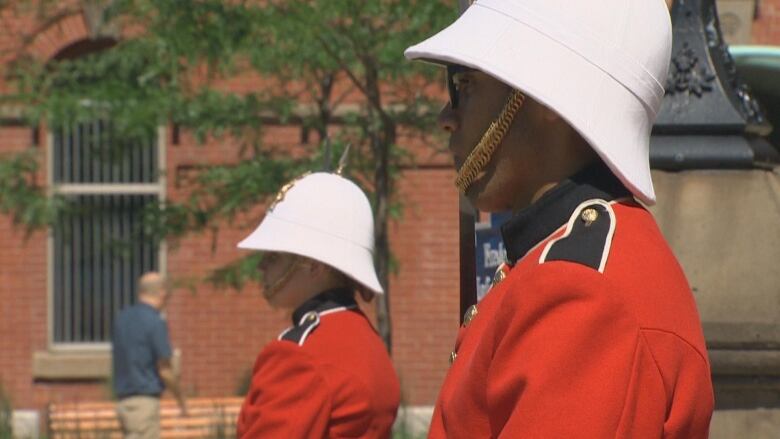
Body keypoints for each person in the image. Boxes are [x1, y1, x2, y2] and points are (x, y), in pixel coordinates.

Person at [405, 0, 714, 437]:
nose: (446, 117)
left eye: (466, 85)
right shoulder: (568, 263)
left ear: (545, 91)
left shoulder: (581, 293)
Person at [235, 171, 401, 438]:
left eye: (274, 255)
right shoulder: (369, 342)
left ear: (314, 265)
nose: (261, 266)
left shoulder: (300, 356)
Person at [112, 272, 187, 439]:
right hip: (144, 404)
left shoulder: (122, 319)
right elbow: (165, 370)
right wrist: (181, 399)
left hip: (123, 402)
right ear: (162, 292)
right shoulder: (155, 321)